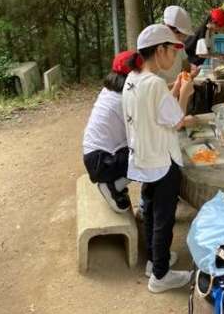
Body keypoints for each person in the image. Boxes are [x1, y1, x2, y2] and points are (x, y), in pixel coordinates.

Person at [122, 24, 195, 293]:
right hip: (163, 161)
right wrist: (185, 94)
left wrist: (175, 90)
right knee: (164, 218)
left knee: (151, 212)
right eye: (172, 51)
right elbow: (176, 121)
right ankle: (160, 276)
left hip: (144, 158)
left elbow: (157, 112)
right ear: (160, 50)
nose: (174, 57)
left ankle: (155, 261)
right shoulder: (154, 83)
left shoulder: (133, 78)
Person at [82, 50, 141, 213]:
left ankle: (115, 183)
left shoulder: (112, 91)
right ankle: (113, 185)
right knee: (151, 154)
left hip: (96, 156)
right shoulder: (126, 99)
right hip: (102, 162)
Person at [159, 5, 195, 84]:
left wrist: (191, 70)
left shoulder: (179, 45)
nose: (182, 39)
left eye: (185, 36)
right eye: (180, 35)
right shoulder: (155, 47)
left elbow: (186, 66)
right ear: (167, 27)